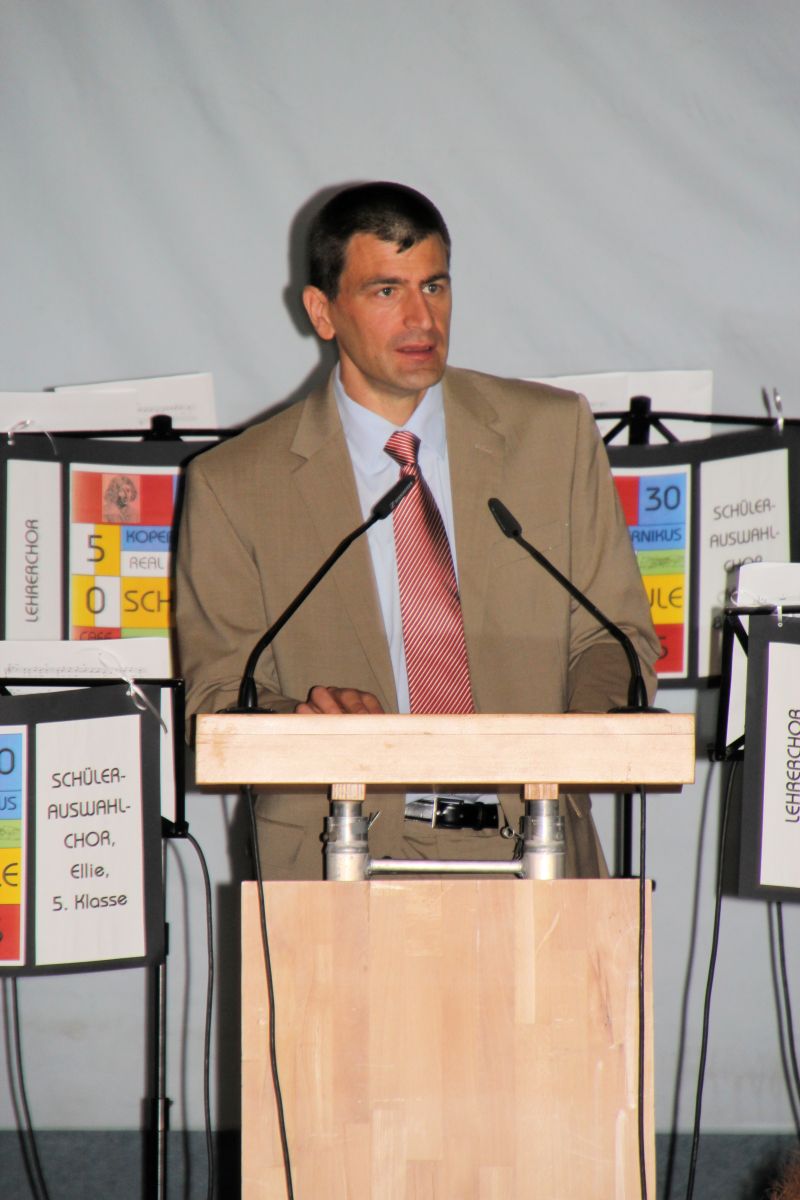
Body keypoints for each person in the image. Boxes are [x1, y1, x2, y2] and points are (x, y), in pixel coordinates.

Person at [175, 181, 660, 879]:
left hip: (535, 837)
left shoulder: (553, 435)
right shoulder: (234, 484)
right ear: (322, 312)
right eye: (385, 291)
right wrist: (306, 717)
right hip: (331, 849)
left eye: (434, 286)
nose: (420, 318)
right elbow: (220, 699)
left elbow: (615, 638)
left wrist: (572, 745)